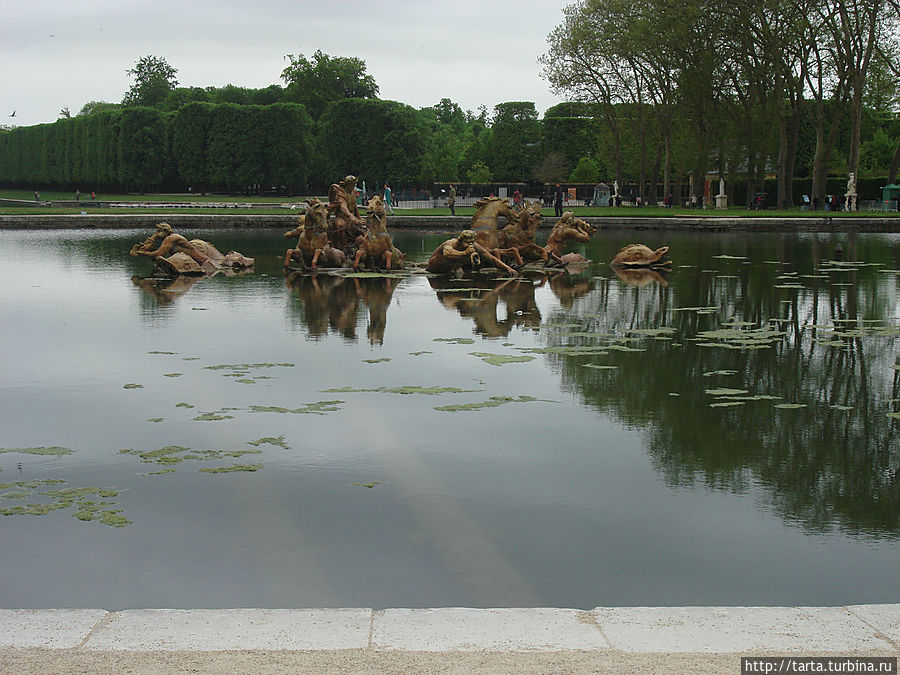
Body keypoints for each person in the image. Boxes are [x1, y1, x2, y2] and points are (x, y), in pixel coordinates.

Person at [426, 229, 518, 276]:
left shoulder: (473, 245)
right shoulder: (451, 243)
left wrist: (507, 267)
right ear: (461, 240)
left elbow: (491, 258)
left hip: (450, 271)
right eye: (467, 242)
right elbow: (447, 253)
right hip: (435, 268)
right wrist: (464, 253)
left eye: (471, 242)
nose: (469, 245)